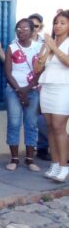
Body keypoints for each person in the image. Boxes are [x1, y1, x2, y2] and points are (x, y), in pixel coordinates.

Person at [3, 18, 42, 171]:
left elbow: (41, 70)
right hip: (13, 90)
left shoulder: (39, 48)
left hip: (32, 90)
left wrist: (28, 88)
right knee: (14, 123)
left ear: (33, 31)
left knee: (31, 124)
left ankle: (30, 159)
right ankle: (14, 159)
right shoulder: (11, 48)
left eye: (25, 29)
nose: (21, 31)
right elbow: (8, 72)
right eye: (19, 28)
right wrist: (19, 90)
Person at [35, 10, 69, 182]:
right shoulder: (48, 43)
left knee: (59, 126)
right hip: (47, 86)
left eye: (62, 23)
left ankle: (64, 166)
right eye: (56, 22)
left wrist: (54, 48)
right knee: (49, 127)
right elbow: (37, 69)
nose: (58, 26)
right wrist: (44, 53)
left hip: (63, 87)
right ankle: (55, 164)